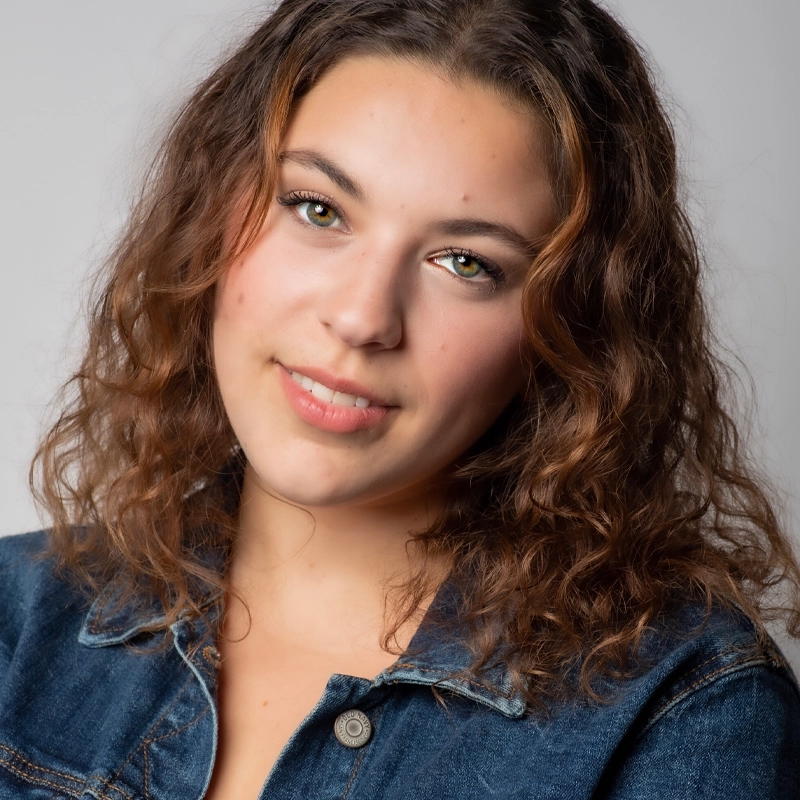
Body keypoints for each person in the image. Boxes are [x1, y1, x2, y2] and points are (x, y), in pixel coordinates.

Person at [1, 0, 798, 797]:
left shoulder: (685, 709)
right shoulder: (17, 620)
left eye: (464, 263)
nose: (361, 318)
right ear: (210, 213)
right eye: (319, 209)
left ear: (572, 331)